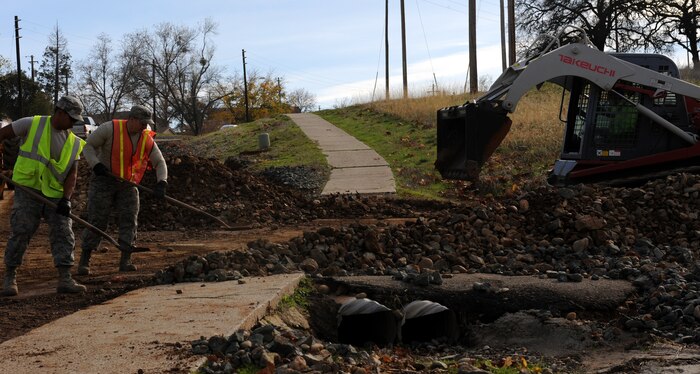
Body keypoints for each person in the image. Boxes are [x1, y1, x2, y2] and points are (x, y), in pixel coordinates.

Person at [1, 95, 88, 296]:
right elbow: (3, 134)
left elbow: (71, 174)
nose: (74, 123)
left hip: (55, 195)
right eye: (72, 118)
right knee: (21, 231)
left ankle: (65, 278)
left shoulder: (74, 142)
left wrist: (66, 199)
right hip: (27, 189)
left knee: (63, 232)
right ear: (59, 112)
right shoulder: (31, 124)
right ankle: (9, 278)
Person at [78, 105, 168, 275]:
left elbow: (159, 161)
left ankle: (126, 260)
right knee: (97, 220)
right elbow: (88, 147)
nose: (144, 127)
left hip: (128, 184)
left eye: (146, 124)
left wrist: (161, 182)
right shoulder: (109, 128)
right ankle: (85, 260)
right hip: (103, 180)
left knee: (129, 218)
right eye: (142, 123)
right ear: (132, 119)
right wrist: (95, 165)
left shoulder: (146, 138)